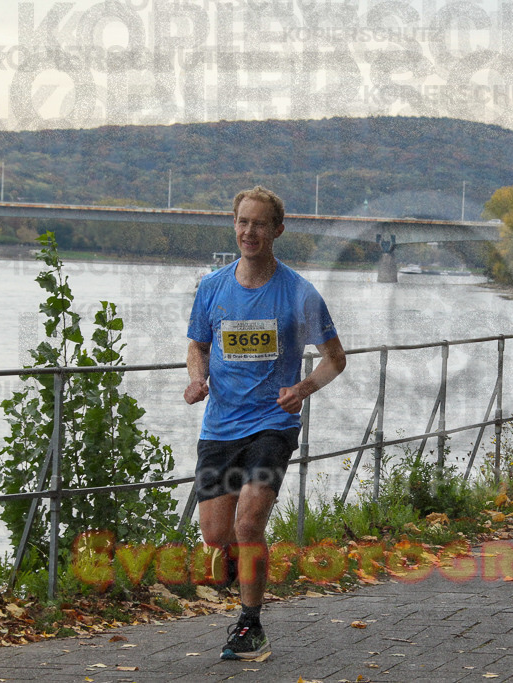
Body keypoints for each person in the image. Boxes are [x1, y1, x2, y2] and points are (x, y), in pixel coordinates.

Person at [184, 186, 346, 660]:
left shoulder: (299, 293)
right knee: (216, 537)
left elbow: (335, 359)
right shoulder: (213, 287)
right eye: (242, 222)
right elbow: (198, 345)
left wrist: (302, 390)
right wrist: (198, 380)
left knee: (249, 520)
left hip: (273, 422)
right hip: (220, 425)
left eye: (259, 224)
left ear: (277, 229)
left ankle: (250, 626)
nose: (249, 232)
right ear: (233, 226)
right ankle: (247, 577)